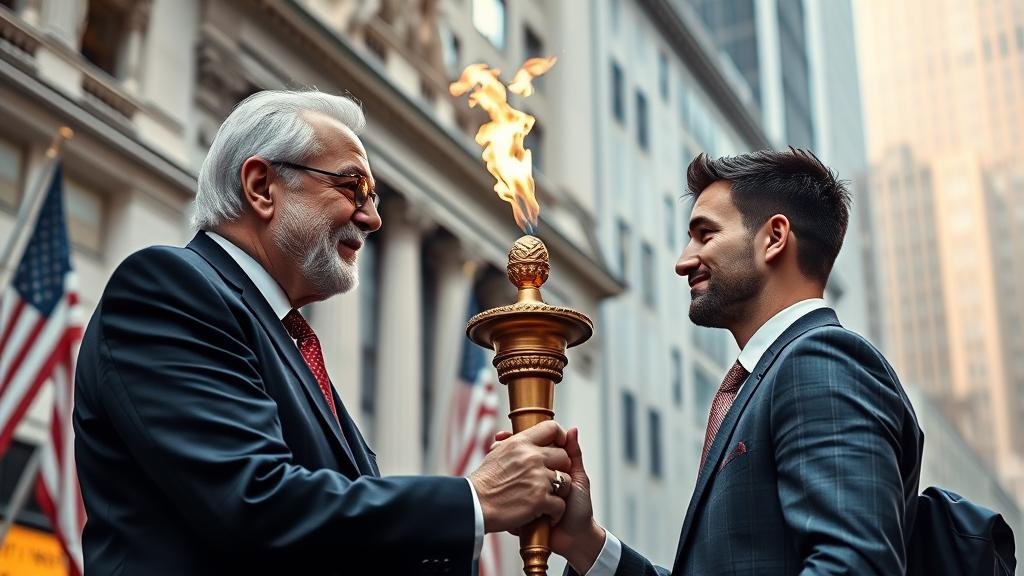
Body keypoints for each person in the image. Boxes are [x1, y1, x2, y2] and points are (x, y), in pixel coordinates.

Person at [73, 90, 573, 575]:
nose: (373, 218)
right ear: (262, 187)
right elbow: (255, 503)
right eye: (352, 187)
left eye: (374, 196)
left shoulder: (289, 340)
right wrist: (476, 498)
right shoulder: (169, 288)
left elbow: (350, 544)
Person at [530, 149, 924, 575]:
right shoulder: (772, 375)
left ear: (774, 237)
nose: (683, 261)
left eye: (706, 234)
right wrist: (585, 542)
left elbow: (854, 569)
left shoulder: (820, 361)